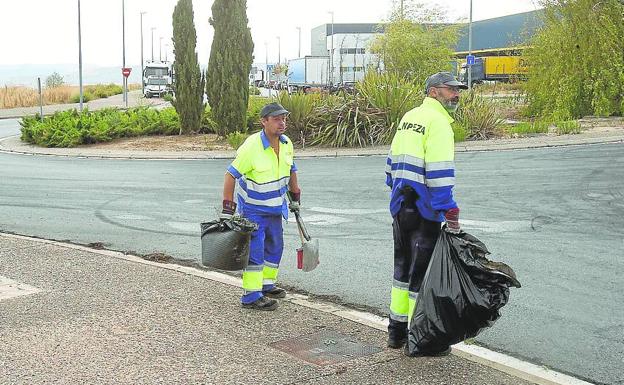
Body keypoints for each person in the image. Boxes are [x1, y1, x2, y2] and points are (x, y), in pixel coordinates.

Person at [384, 72, 467, 355]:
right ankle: (418, 338)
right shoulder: (439, 122)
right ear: (434, 92)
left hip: (401, 204)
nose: (456, 94)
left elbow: (392, 160)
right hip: (424, 208)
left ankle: (396, 331)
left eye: (458, 90)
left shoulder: (410, 117)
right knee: (421, 276)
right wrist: (449, 208)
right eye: (451, 90)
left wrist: (395, 189)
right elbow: (439, 173)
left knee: (401, 270)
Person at [221, 102, 301, 311]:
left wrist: (295, 195)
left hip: (276, 208)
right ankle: (251, 296)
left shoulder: (286, 143)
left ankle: (266, 285)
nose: (281, 123)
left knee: (275, 247)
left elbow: (291, 169)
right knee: (255, 253)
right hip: (253, 211)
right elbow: (231, 175)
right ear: (264, 122)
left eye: (284, 118)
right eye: (276, 119)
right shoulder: (251, 146)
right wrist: (227, 209)